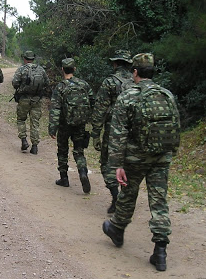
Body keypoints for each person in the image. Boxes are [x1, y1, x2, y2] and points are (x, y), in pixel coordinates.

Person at [102, 53, 181, 271]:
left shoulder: (128, 97)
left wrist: (117, 164)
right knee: (159, 199)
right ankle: (160, 250)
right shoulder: (167, 95)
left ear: (135, 72)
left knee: (128, 192)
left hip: (136, 157)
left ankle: (117, 229)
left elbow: (118, 134)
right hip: (162, 156)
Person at [90, 50, 134, 213]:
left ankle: (116, 197)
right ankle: (126, 198)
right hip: (134, 132)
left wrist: (95, 134)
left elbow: (100, 109)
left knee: (107, 164)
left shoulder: (110, 82)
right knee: (129, 164)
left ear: (115, 63)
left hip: (113, 131)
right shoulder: (137, 81)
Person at [48, 57, 94, 193]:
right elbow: (92, 101)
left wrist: (53, 127)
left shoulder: (61, 87)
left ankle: (64, 178)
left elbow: (55, 108)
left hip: (64, 124)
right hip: (80, 124)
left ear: (62, 69)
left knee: (62, 150)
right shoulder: (84, 85)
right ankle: (83, 173)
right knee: (79, 151)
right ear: (74, 69)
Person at [12, 50, 49, 154]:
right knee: (35, 123)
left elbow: (15, 83)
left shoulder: (21, 69)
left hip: (24, 99)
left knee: (21, 120)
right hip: (37, 100)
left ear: (24, 59)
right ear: (33, 58)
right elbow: (47, 83)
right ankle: (35, 146)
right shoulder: (41, 70)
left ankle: (24, 140)